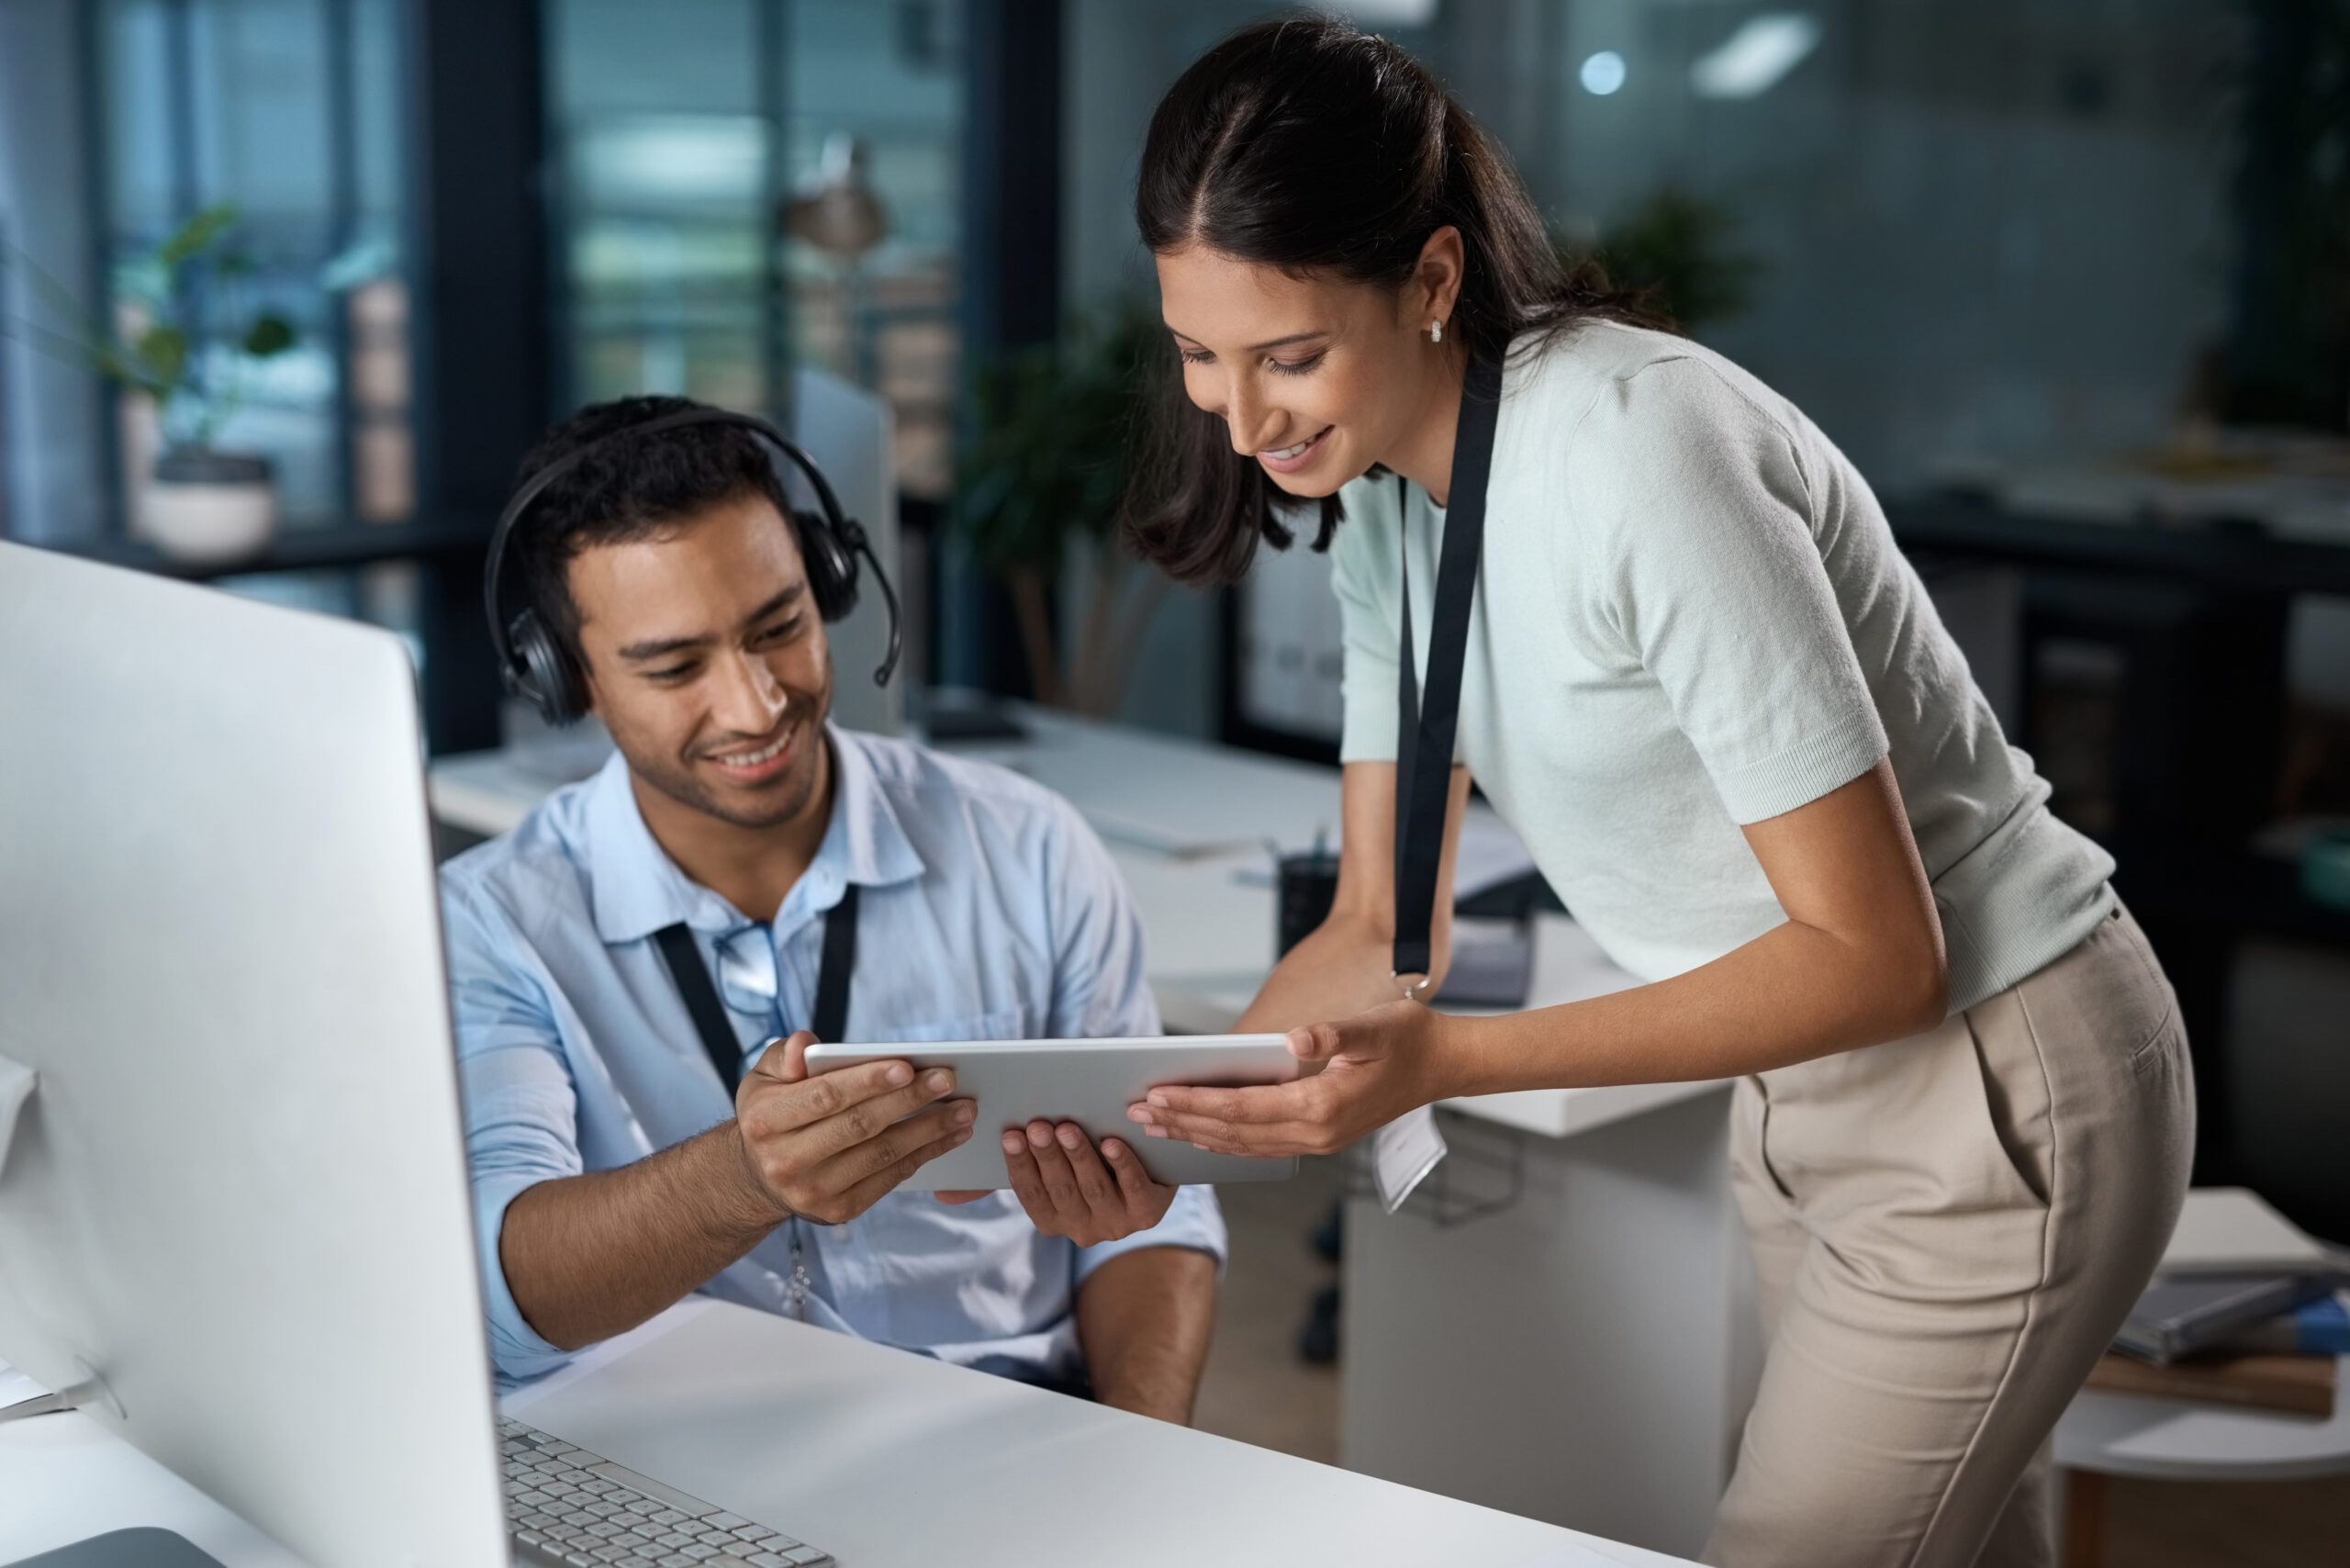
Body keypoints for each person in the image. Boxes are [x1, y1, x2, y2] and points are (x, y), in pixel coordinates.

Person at [1116, 18, 2192, 1566]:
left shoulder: (1637, 450)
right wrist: (1153, 1129)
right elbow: (1375, 924)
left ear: (1429, 282)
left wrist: (1444, 1061)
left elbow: (1881, 953)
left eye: (1289, 354)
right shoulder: (1386, 517)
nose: (1241, 416)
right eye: (1196, 353)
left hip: (1997, 1078)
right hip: (1803, 1087)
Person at [441, 396, 1223, 1423]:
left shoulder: (1027, 847)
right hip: (687, 1456)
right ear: (565, 678)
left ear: (831, 588)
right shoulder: (494, 921)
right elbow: (501, 1298)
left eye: (781, 628)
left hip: (1005, 1425)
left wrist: (1142, 1458)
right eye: (675, 667)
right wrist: (741, 1175)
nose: (757, 703)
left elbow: (1155, 1221)